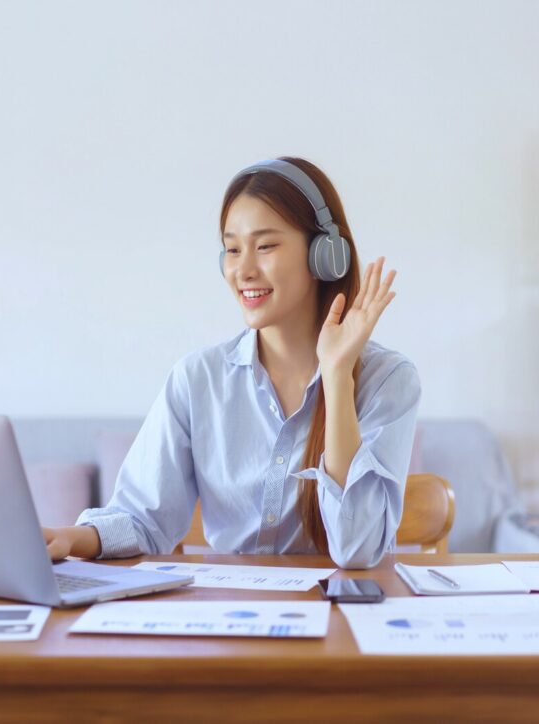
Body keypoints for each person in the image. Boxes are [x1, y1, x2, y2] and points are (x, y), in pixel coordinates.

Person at [42, 157, 420, 569]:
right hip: (228, 617)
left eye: (265, 246)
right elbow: (141, 520)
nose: (243, 270)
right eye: (233, 249)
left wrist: (336, 374)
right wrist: (65, 537)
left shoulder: (389, 381)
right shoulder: (196, 379)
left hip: (339, 620)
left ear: (323, 255)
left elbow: (357, 550)